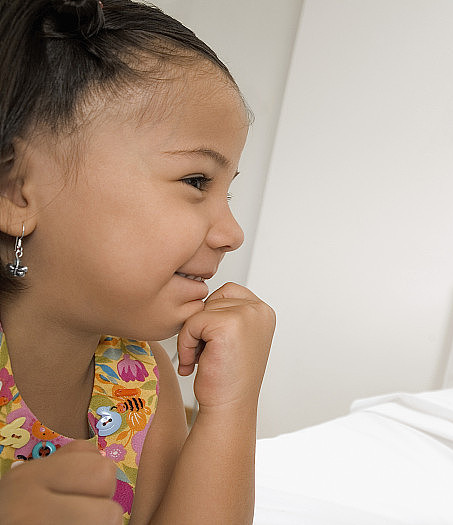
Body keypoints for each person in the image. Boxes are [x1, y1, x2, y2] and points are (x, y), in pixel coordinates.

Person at [0, 0, 275, 523]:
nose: (232, 234)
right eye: (196, 181)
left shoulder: (139, 379)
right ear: (16, 191)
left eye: (227, 192)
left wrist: (230, 409)